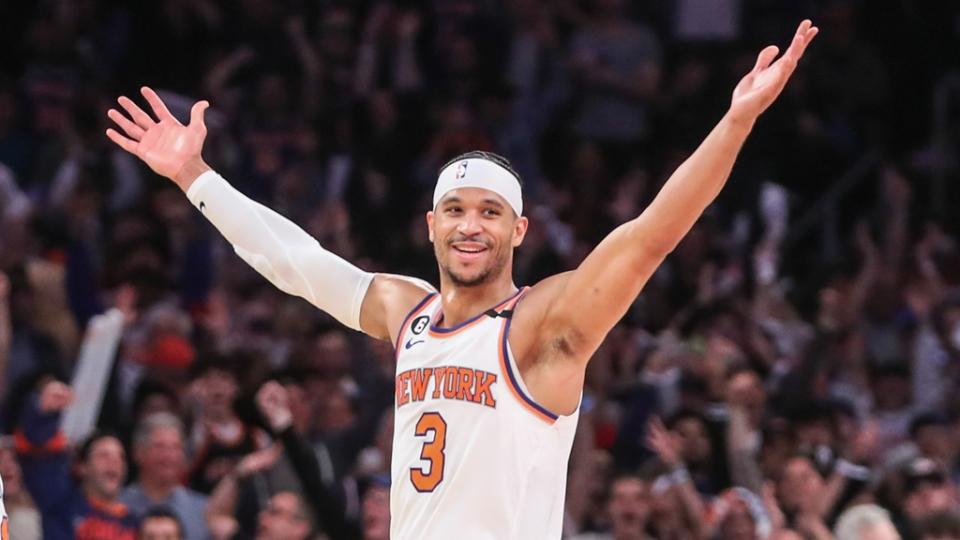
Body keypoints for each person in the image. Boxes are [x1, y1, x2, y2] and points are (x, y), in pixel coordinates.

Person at [105, 20, 818, 539]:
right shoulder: (406, 311)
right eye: (455, 210)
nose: (470, 225)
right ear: (431, 225)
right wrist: (194, 176)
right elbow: (295, 262)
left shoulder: (544, 325)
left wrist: (735, 121)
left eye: (489, 212)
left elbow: (650, 236)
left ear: (519, 231)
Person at [15, 379, 139, 539]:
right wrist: (43, 415)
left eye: (121, 457)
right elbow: (38, 457)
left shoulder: (135, 524)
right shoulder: (61, 505)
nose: (114, 461)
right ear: (82, 467)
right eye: (103, 455)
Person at [121, 413, 208, 540]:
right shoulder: (116, 505)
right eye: (159, 447)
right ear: (138, 452)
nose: (169, 456)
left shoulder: (204, 511)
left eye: (175, 447)